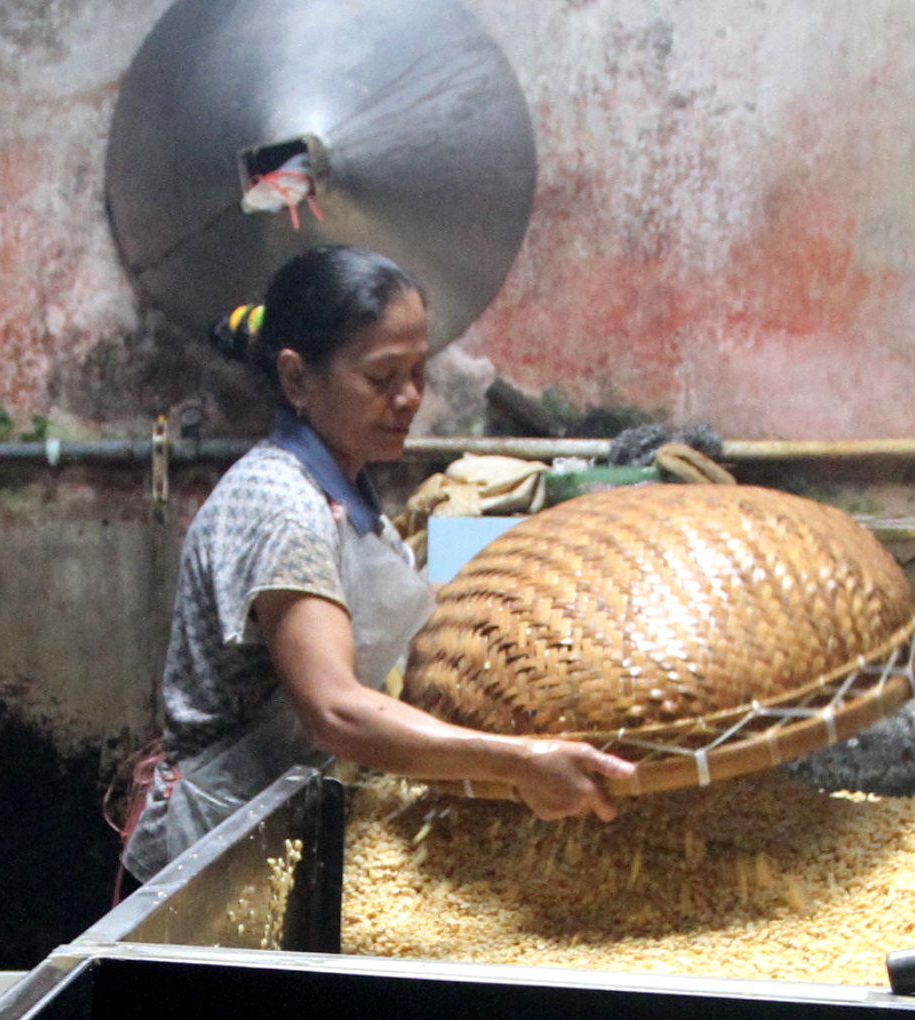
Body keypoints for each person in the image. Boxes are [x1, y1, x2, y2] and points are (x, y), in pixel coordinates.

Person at [119, 244, 635, 882]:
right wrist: (519, 761)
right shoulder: (284, 507)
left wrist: (536, 574)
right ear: (297, 379)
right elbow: (334, 710)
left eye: (418, 372)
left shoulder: (342, 485)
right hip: (227, 842)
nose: (410, 398)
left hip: (290, 808)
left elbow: (396, 592)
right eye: (382, 377)